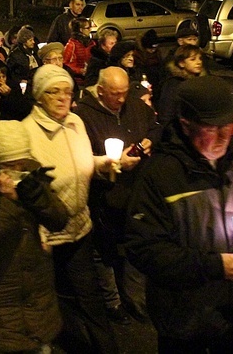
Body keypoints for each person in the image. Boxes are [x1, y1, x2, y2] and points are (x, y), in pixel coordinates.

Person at [125, 76, 233, 353]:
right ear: (186, 124)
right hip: (183, 315)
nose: (223, 136)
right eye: (211, 127)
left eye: (227, 126)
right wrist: (213, 266)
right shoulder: (160, 174)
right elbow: (144, 248)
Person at [22, 64, 119, 354]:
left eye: (68, 91)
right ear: (39, 96)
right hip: (46, 238)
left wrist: (106, 163)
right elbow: (26, 193)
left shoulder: (76, 122)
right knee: (46, 297)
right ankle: (43, 342)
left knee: (90, 297)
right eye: (55, 92)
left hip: (80, 227)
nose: (64, 98)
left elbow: (83, 162)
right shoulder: (27, 134)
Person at [0, 120, 69, 353]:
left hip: (38, 296)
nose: (18, 167)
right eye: (9, 163)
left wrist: (38, 196)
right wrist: (9, 202)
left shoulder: (30, 171)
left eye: (22, 161)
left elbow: (59, 220)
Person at [75, 66, 160, 324]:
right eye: (115, 94)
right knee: (105, 251)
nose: (122, 99)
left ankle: (136, 299)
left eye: (124, 93)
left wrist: (148, 142)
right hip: (105, 195)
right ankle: (112, 302)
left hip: (136, 190)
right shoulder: (84, 116)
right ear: (100, 91)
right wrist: (113, 163)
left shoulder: (134, 105)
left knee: (136, 243)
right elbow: (81, 158)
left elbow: (156, 126)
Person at [157, 44, 205, 127]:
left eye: (200, 58)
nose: (199, 62)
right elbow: (166, 113)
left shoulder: (201, 81)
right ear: (181, 63)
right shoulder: (174, 84)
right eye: (193, 59)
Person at [63, 18, 95, 86]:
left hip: (90, 78)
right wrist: (80, 71)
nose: (90, 30)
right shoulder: (72, 45)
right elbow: (66, 64)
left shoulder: (91, 42)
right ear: (81, 30)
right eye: (87, 28)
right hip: (78, 81)